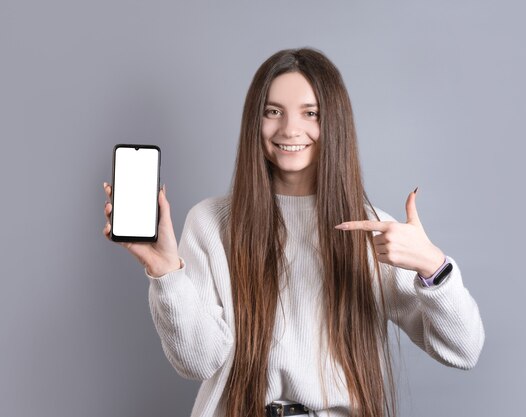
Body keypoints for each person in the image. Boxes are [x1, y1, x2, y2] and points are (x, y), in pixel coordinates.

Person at [102, 48, 484, 417]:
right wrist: (168, 273)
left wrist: (433, 266)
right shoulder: (211, 223)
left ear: (334, 123)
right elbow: (198, 361)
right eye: (273, 112)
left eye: (310, 113)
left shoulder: (375, 232)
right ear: (256, 120)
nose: (290, 129)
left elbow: (464, 350)